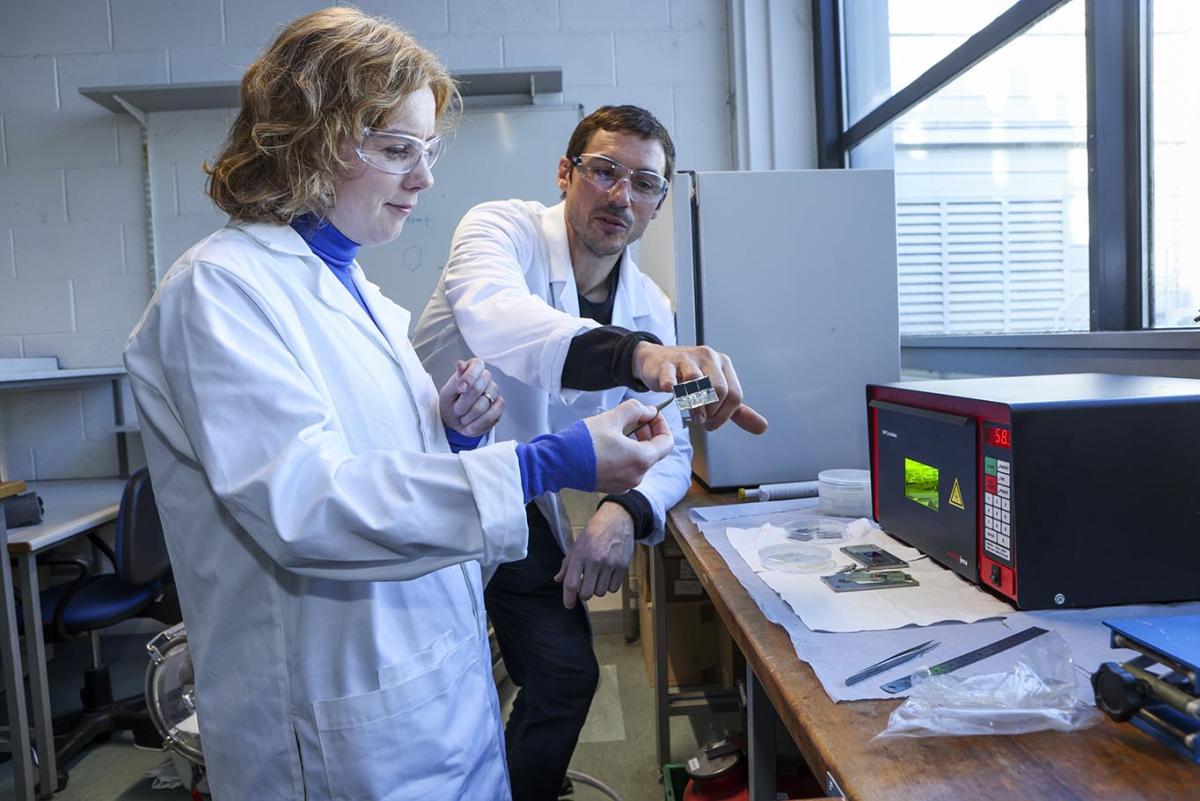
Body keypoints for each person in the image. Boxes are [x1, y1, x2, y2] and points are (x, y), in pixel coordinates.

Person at [122, 10, 674, 801]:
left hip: (434, 698)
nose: (423, 179)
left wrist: (446, 433)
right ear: (305, 139)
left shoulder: (367, 298)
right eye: (395, 150)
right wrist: (546, 460)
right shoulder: (219, 291)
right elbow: (310, 507)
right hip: (334, 733)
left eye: (427, 151)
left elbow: (381, 467)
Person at [412, 105, 768, 800]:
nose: (620, 195)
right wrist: (638, 354)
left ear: (660, 202)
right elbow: (501, 322)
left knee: (566, 672)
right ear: (565, 172)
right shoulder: (501, 229)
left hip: (514, 506)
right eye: (604, 171)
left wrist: (624, 511)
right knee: (435, 694)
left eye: (644, 183)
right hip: (422, 490)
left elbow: (664, 442)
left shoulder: (648, 303)